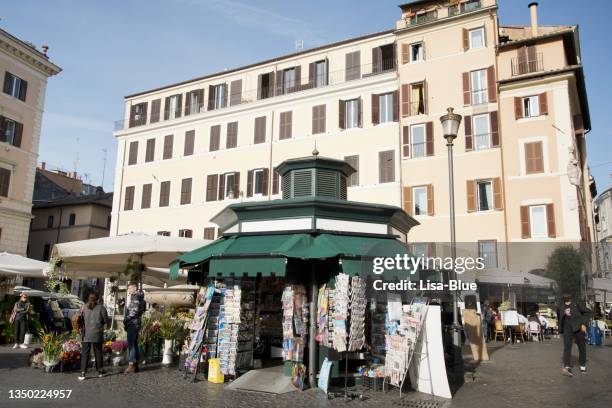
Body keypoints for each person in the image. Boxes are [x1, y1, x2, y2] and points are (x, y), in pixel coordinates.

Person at [557, 294, 592, 376]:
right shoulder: (560, 307)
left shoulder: (577, 304)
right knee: (567, 347)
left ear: (570, 296)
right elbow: (559, 318)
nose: (566, 296)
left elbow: (588, 312)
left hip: (578, 328)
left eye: (567, 295)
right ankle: (567, 367)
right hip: (567, 329)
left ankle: (583, 365)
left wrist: (584, 324)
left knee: (581, 346)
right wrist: (560, 329)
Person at [78, 292, 109, 381]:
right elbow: (106, 321)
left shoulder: (83, 307)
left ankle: (83, 373)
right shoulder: (101, 308)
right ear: (97, 299)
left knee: (85, 353)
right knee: (98, 352)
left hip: (85, 333)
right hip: (97, 333)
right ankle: (100, 371)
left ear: (89, 298)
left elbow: (78, 318)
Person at [124, 282, 145, 373]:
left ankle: (131, 364)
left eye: (129, 288)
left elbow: (134, 311)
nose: (128, 290)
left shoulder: (135, 296)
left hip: (132, 322)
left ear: (134, 288)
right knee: (134, 343)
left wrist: (127, 319)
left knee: (131, 344)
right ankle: (135, 363)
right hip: (135, 322)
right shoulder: (138, 296)